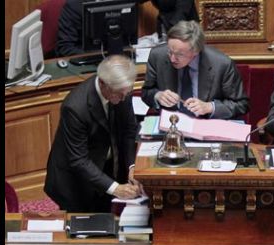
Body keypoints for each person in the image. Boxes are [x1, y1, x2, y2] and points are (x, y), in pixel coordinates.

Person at [44, 55, 143, 212]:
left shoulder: (121, 89)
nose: (124, 98)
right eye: (120, 94)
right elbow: (79, 160)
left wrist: (132, 166)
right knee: (85, 227)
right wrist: (115, 188)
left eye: (127, 92)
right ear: (103, 84)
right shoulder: (75, 107)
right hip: (76, 181)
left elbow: (129, 131)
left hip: (107, 165)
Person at [140, 20, 249, 119]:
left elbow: (241, 105)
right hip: (171, 124)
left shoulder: (221, 64)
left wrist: (209, 107)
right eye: (170, 51)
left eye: (179, 54)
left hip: (206, 124)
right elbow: (146, 92)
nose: (172, 58)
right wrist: (158, 96)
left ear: (196, 51)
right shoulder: (157, 56)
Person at [55, 0, 196, 57]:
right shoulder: (73, 6)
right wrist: (102, 55)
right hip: (89, 65)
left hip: (121, 60)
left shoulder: (119, 3)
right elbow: (65, 48)